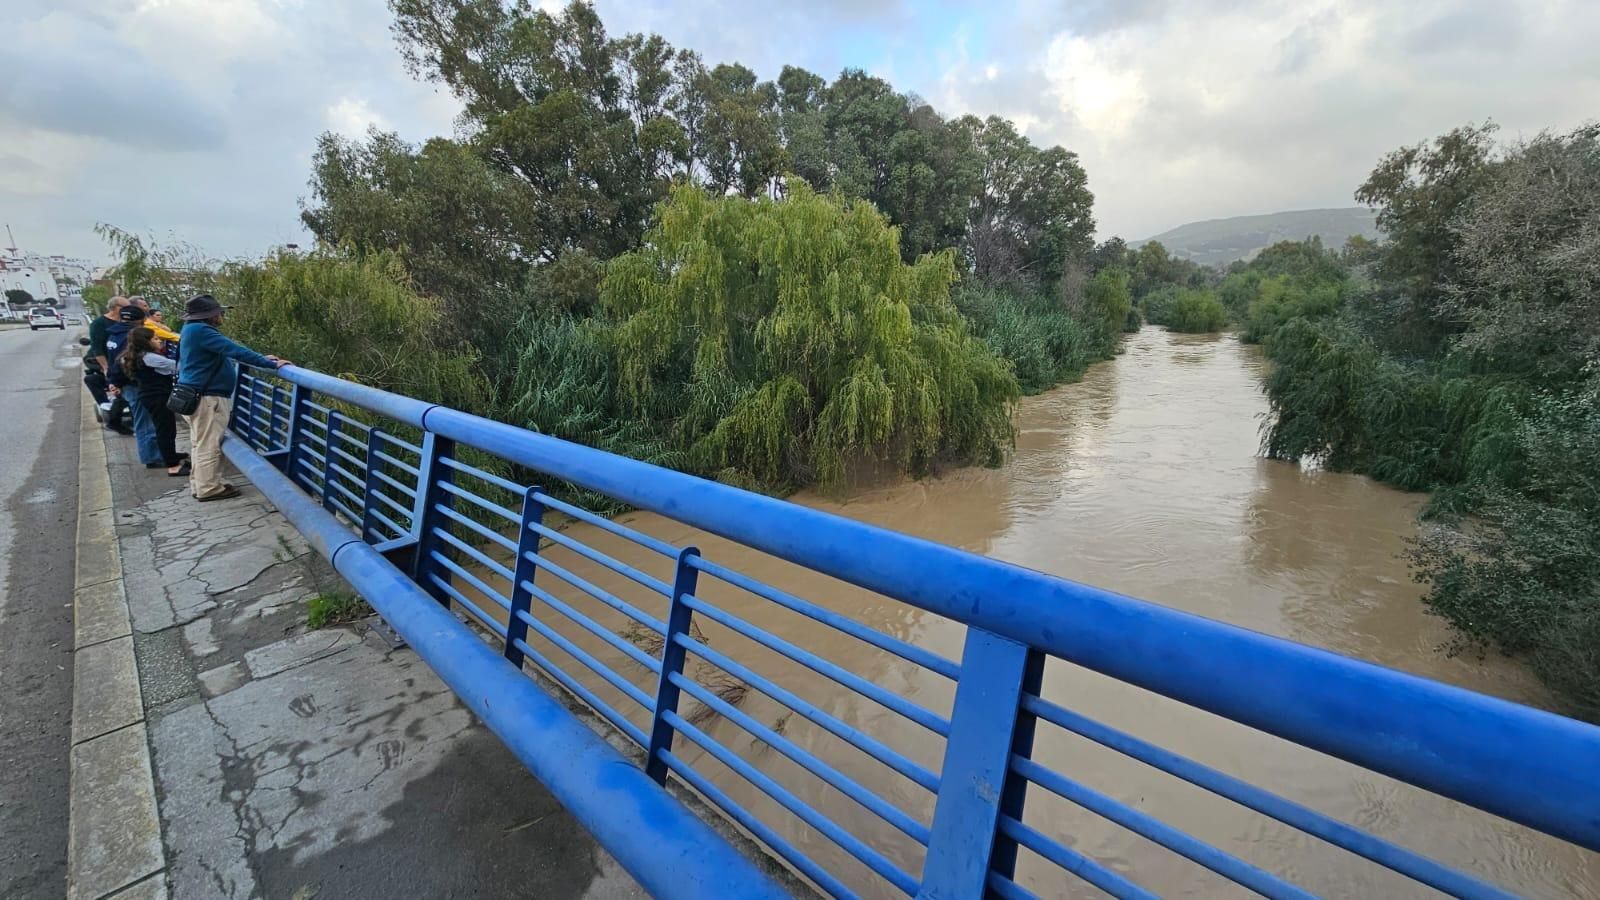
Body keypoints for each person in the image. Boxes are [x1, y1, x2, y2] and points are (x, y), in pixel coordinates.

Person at [177, 294, 291, 501]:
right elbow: (235, 350)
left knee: (199, 442)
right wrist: (271, 364)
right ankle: (209, 489)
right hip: (207, 397)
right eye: (220, 312)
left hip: (195, 393)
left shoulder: (190, 330)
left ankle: (200, 484)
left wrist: (261, 359)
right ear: (210, 315)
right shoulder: (202, 331)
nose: (222, 315)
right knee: (208, 443)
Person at [119, 327, 189, 476]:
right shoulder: (150, 358)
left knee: (164, 429)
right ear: (146, 342)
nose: (160, 341)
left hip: (150, 396)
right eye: (156, 339)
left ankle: (170, 456)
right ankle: (173, 466)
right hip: (158, 397)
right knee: (166, 430)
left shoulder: (134, 356)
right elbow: (178, 367)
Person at [105, 305, 166, 468]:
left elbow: (113, 361)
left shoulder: (113, 335)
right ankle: (152, 457)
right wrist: (117, 382)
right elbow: (125, 362)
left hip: (123, 383)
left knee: (143, 420)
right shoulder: (130, 337)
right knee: (145, 421)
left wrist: (113, 381)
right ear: (140, 320)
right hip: (133, 384)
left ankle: (155, 454)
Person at [88, 296, 133, 434]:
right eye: (125, 307)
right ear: (116, 307)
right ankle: (114, 421)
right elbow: (97, 348)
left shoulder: (125, 322)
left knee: (125, 391)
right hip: (112, 362)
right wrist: (106, 367)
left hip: (125, 361)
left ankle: (120, 420)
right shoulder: (99, 323)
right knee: (120, 391)